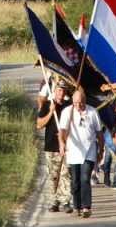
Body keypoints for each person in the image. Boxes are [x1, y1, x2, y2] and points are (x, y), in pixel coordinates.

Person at [58, 89, 104, 218]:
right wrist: (62, 143)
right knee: (75, 181)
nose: (79, 105)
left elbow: (99, 132)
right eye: (76, 102)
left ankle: (86, 207)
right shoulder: (67, 112)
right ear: (73, 100)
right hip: (73, 151)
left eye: (81, 102)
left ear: (85, 100)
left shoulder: (93, 112)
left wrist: (101, 149)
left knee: (85, 178)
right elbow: (62, 130)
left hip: (89, 150)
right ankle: (77, 206)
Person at [36, 79, 74, 214]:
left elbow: (73, 125)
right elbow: (40, 124)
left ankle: (66, 200)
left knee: (65, 173)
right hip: (51, 145)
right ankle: (55, 200)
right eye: (59, 90)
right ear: (54, 91)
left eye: (64, 90)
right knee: (53, 175)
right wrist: (51, 112)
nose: (61, 93)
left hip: (65, 145)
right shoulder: (47, 105)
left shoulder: (69, 106)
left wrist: (65, 133)